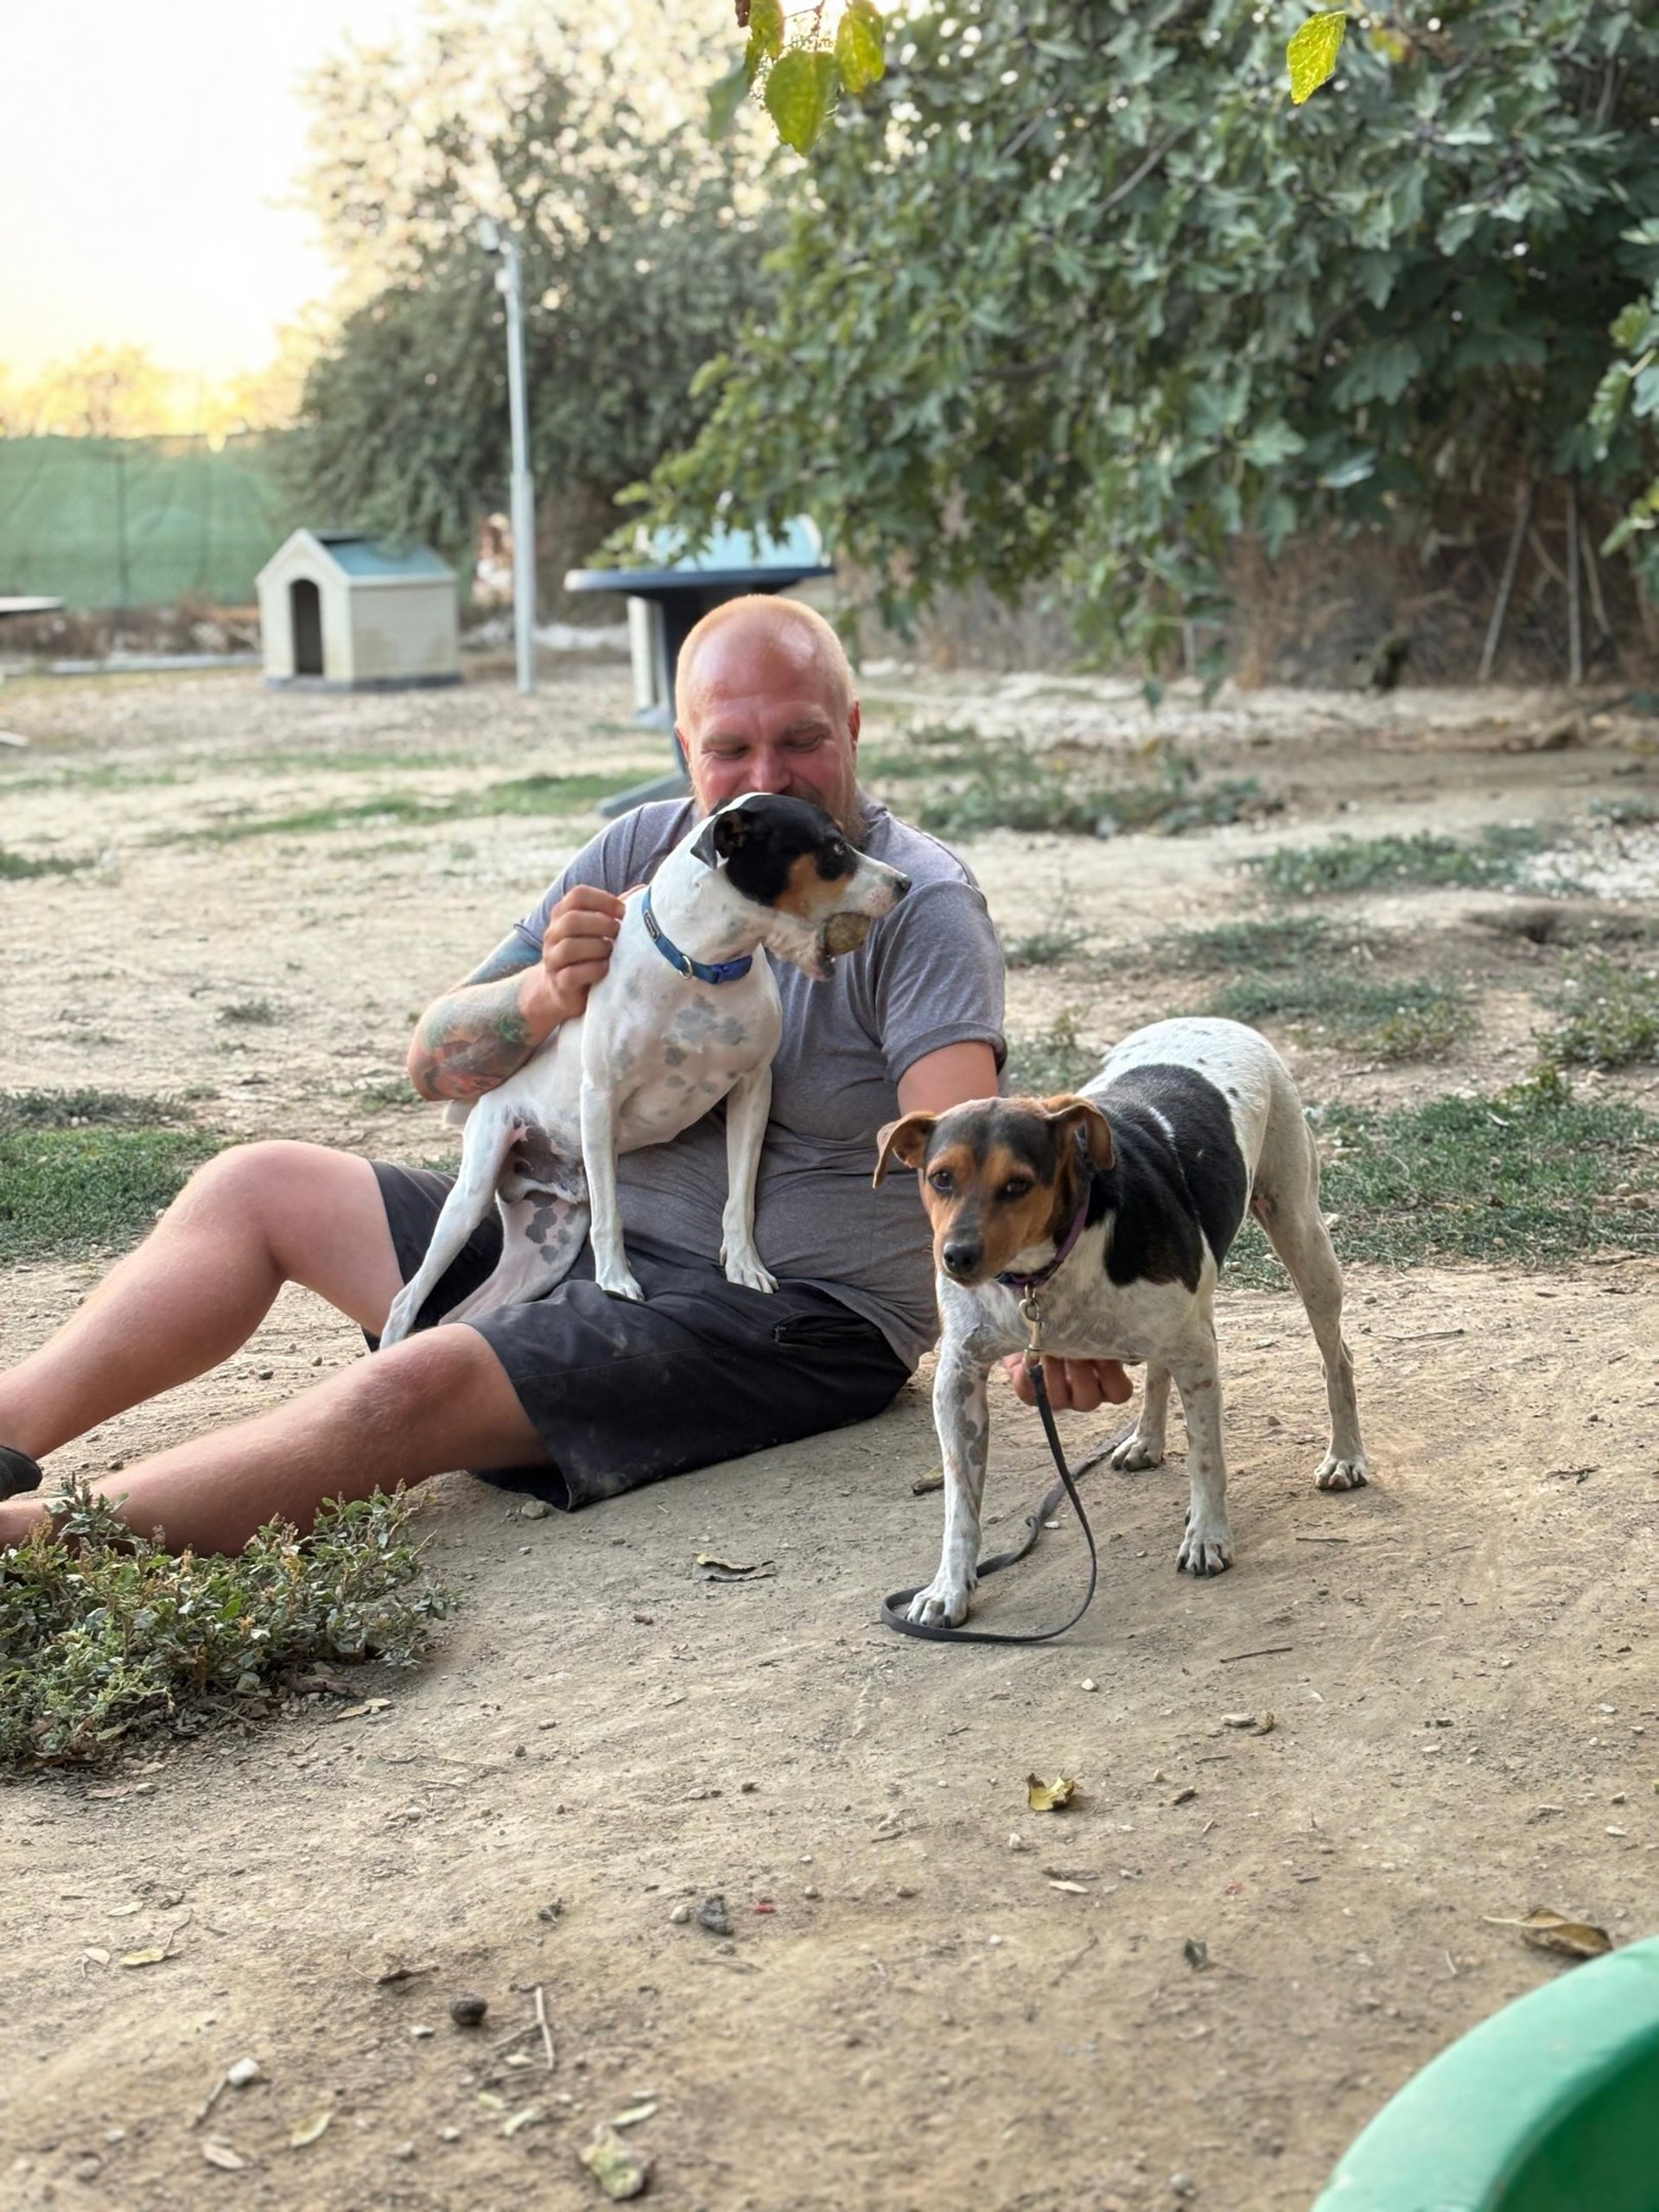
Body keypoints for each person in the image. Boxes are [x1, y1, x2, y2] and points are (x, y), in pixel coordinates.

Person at [0, 598, 1128, 1555]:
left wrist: (1048, 1309)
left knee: (417, 1384)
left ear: (855, 731)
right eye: (729, 749)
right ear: (685, 749)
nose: (766, 775)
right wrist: (541, 996)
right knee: (255, 1188)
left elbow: (977, 1148)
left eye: (801, 740)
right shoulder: (638, 854)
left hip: (782, 1317)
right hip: (570, 1240)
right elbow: (432, 1058)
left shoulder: (915, 904)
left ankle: (39, 1547)